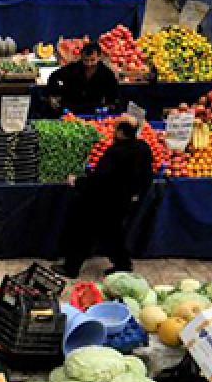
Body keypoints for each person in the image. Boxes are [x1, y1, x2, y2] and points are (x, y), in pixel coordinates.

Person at [60, 117, 153, 277]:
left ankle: (71, 268)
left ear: (121, 133)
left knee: (83, 233)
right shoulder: (143, 148)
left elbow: (100, 179)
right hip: (123, 201)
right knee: (113, 234)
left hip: (103, 201)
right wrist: (137, 193)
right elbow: (147, 175)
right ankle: (123, 264)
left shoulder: (116, 152)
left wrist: (78, 181)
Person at [45, 43, 121, 115]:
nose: (89, 64)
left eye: (92, 60)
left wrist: (110, 104)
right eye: (86, 60)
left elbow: (113, 93)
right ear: (81, 57)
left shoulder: (106, 73)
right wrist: (52, 95)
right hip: (70, 109)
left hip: (93, 110)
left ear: (99, 57)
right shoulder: (73, 68)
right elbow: (54, 76)